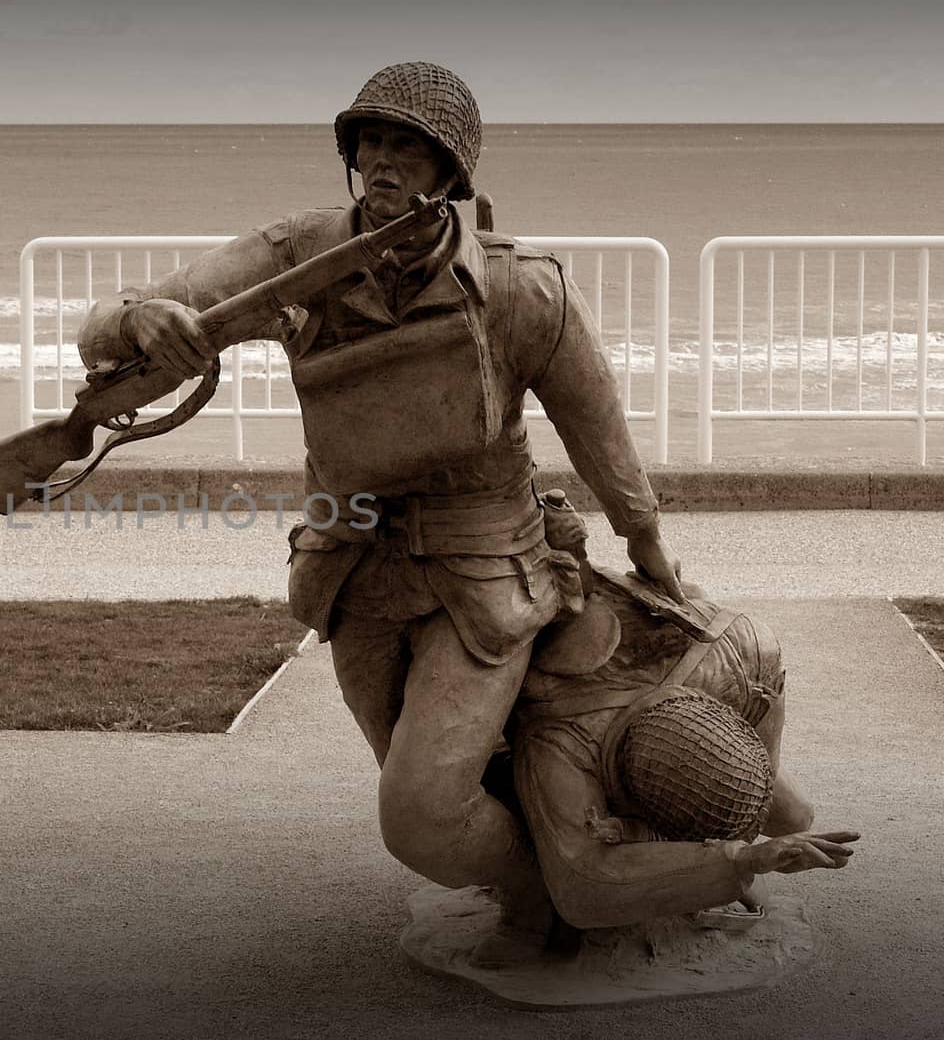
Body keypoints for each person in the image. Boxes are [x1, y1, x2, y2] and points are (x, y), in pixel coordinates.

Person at [77, 61, 684, 956]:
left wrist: (649, 546)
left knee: (420, 815)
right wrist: (140, 324)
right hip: (353, 571)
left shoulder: (522, 292)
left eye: (410, 146)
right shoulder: (296, 259)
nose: (384, 161)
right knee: (435, 780)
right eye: (372, 141)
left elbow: (603, 439)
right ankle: (554, 881)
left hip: (485, 575)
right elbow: (111, 321)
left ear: (448, 172)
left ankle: (553, 890)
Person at [511, 572, 858, 933]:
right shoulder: (558, 747)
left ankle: (697, 848)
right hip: (536, 614)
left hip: (693, 685)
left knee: (796, 818)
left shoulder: (746, 650)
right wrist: (739, 861)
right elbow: (582, 887)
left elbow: (764, 741)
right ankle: (521, 899)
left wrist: (741, 848)